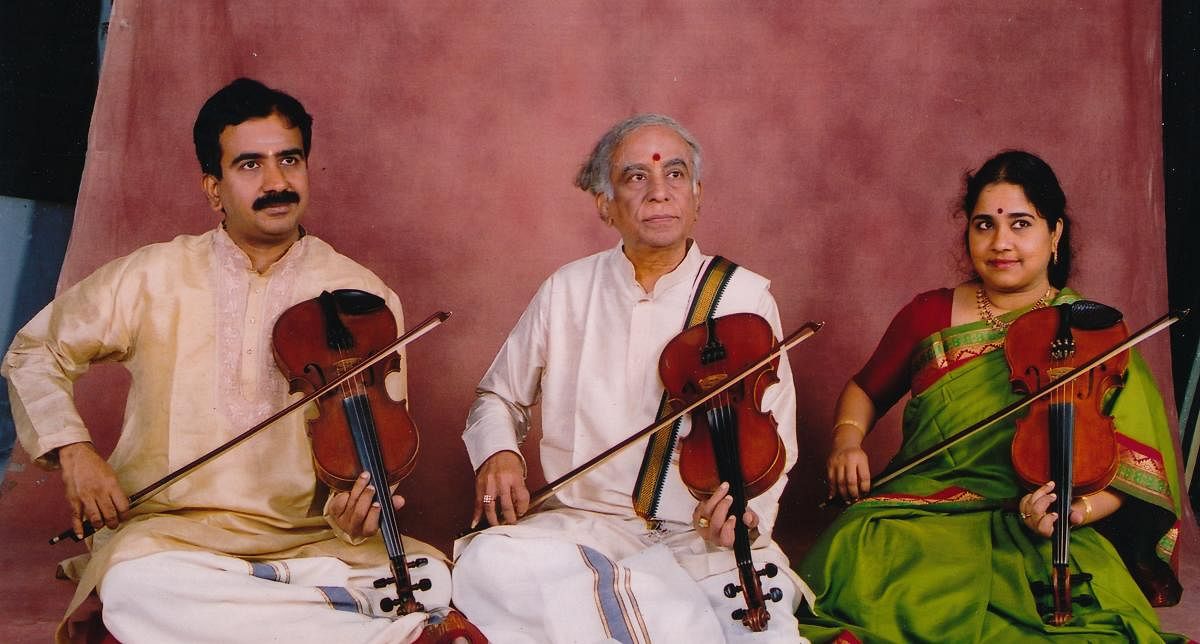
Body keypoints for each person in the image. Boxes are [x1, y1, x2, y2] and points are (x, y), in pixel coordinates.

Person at [4, 78, 459, 644]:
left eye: (289, 159)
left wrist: (353, 516)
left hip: (312, 543)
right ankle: (380, 635)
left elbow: (370, 458)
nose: (276, 182)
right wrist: (74, 452)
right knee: (136, 585)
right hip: (176, 539)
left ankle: (271, 619)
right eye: (250, 165)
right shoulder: (154, 274)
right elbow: (34, 351)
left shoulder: (363, 298)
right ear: (214, 189)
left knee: (430, 576)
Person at [796, 150, 1187, 643]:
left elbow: (1133, 471)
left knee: (1086, 622)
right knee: (859, 549)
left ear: (1055, 234)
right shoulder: (928, 314)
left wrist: (1074, 513)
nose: (1001, 243)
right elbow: (863, 389)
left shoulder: (1098, 334)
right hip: (924, 513)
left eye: (1021, 223)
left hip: (1043, 524)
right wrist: (847, 441)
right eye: (984, 225)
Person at [451, 113, 812, 643]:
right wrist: (499, 452)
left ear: (697, 195)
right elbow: (496, 398)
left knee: (762, 632)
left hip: (699, 540)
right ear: (605, 204)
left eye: (676, 175)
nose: (660, 192)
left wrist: (745, 515)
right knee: (487, 561)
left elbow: (775, 436)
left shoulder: (744, 298)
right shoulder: (567, 289)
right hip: (579, 533)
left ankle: (647, 615)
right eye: (637, 177)